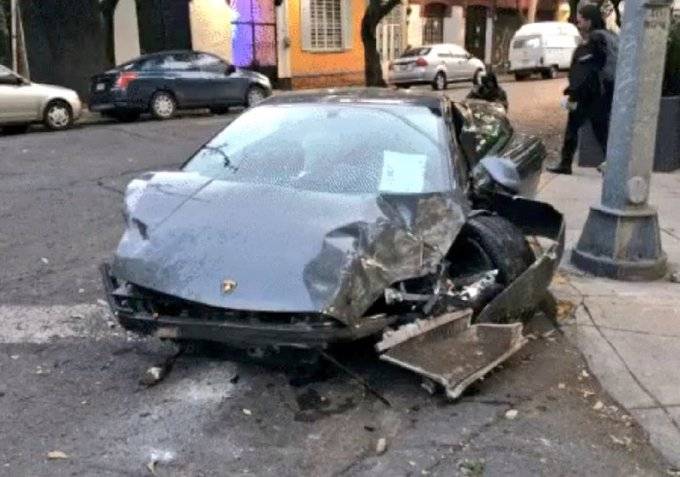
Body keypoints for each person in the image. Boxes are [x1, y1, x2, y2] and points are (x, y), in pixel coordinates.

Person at [548, 4, 618, 175]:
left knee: (574, 128)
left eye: (580, 19)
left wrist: (574, 91)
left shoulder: (593, 40)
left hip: (587, 93)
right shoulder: (609, 36)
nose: (578, 22)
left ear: (589, 21)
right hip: (602, 92)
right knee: (600, 129)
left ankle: (565, 164)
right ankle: (613, 164)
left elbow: (586, 69)